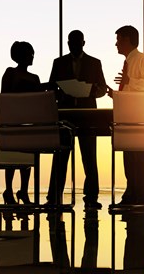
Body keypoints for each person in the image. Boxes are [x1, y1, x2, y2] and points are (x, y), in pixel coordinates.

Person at [47, 30, 107, 209]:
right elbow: (51, 86)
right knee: (61, 156)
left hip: (88, 115)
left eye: (76, 42)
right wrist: (62, 92)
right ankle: (54, 197)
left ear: (83, 43)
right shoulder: (58, 63)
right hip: (65, 113)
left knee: (89, 156)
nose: (73, 45)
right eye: (70, 43)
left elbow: (103, 88)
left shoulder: (95, 63)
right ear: (68, 44)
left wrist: (92, 90)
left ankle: (91, 197)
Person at [107, 25, 144, 205]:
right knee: (129, 156)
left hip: (140, 117)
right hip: (128, 115)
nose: (116, 44)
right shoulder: (129, 61)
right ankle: (133, 192)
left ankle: (142, 193)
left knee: (140, 157)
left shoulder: (143, 59)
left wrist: (130, 81)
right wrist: (117, 94)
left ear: (128, 40)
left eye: (119, 39)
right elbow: (134, 90)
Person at [0, 41, 41, 205]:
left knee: (25, 156)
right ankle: (10, 190)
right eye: (30, 53)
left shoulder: (32, 77)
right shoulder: (11, 73)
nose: (32, 56)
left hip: (24, 122)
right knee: (15, 155)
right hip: (15, 122)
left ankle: (22, 190)